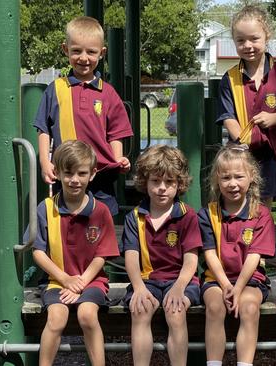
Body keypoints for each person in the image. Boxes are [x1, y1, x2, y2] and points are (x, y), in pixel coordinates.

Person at [30, 140, 120, 366]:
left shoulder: (100, 211)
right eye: (68, 173)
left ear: (92, 174)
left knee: (87, 314)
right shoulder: (46, 208)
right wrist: (65, 279)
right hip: (56, 281)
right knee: (56, 318)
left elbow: (102, 255)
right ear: (57, 173)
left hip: (92, 281)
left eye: (81, 173)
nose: (74, 180)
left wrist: (80, 282)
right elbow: (38, 252)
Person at [34, 16, 133, 215]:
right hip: (68, 170)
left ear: (102, 53)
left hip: (100, 173)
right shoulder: (56, 89)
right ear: (65, 49)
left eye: (91, 52)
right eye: (76, 51)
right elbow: (43, 128)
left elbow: (116, 132)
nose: (84, 58)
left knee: (102, 217)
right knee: (68, 216)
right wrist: (45, 161)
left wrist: (119, 158)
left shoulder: (108, 92)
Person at [121, 145, 202, 366]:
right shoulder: (135, 217)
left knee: (175, 311)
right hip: (147, 280)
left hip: (181, 280)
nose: (162, 188)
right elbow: (131, 256)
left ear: (179, 184)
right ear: (145, 183)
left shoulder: (187, 215)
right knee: (140, 310)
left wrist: (179, 287)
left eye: (169, 182)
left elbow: (191, 258)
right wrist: (138, 287)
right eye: (155, 182)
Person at [216, 5, 276, 207]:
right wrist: (241, 142)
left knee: (263, 202)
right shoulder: (230, 78)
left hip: (268, 152)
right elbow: (227, 115)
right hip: (239, 153)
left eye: (254, 39)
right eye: (241, 40)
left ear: (267, 36)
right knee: (236, 200)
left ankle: (263, 236)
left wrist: (274, 118)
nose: (248, 45)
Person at [198, 146, 276, 366]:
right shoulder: (207, 214)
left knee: (250, 307)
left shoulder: (261, 214)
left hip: (250, 279)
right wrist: (225, 285)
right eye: (226, 178)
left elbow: (254, 256)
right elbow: (210, 254)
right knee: (214, 307)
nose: (232, 183)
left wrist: (239, 287)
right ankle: (213, 363)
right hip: (217, 278)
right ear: (216, 180)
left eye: (239, 176)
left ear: (251, 176)